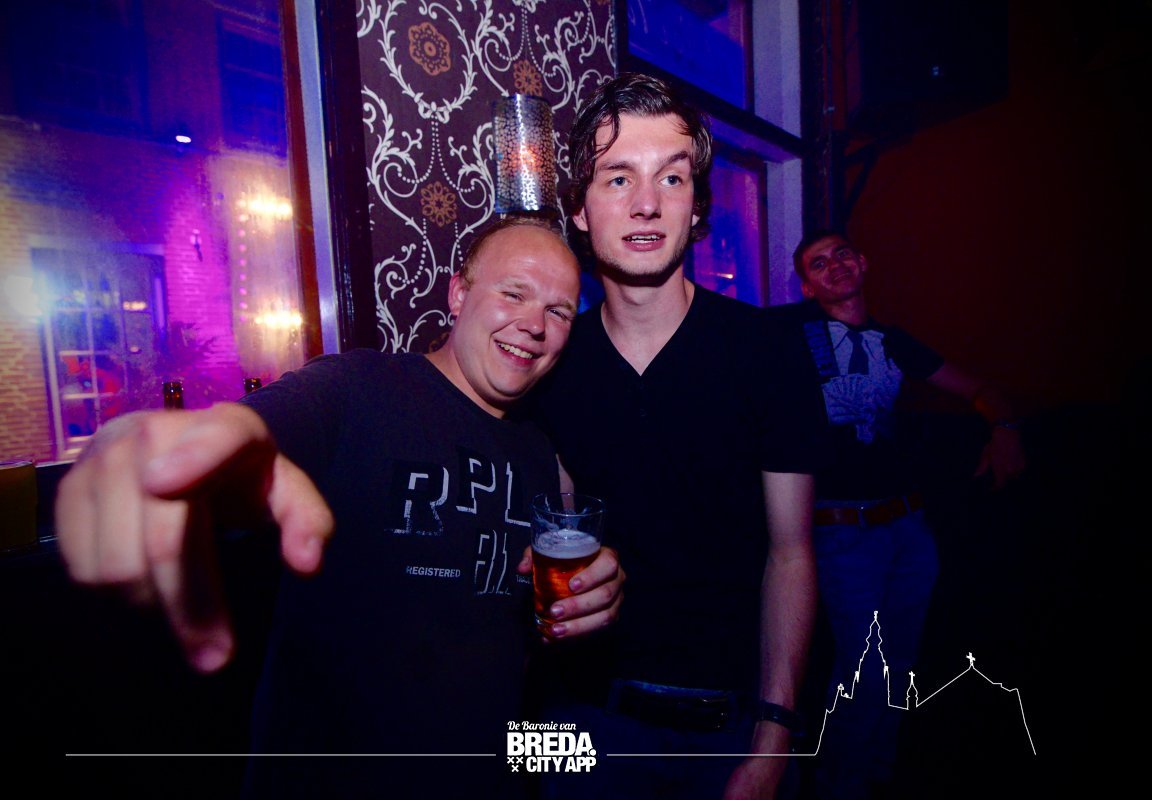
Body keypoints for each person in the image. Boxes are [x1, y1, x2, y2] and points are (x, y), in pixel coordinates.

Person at [54, 218, 625, 798]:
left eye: (559, 312)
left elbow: (511, 647)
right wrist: (146, 453)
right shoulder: (358, 389)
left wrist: (586, 611)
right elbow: (249, 432)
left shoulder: (539, 452)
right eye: (513, 293)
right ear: (458, 294)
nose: (534, 325)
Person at [524, 73, 820, 800]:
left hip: (729, 727)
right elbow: (553, 536)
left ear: (695, 207)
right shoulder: (551, 364)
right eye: (618, 177)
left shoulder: (768, 352)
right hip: (581, 723)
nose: (647, 203)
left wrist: (773, 744)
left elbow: (791, 554)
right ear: (581, 210)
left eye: (672, 177)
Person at [776, 229, 1027, 800]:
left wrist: (1005, 427)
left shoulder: (895, 341)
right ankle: (839, 785)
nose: (835, 266)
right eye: (819, 263)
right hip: (841, 531)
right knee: (862, 668)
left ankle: (876, 774)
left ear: (863, 262)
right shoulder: (792, 334)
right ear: (807, 285)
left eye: (843, 254)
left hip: (909, 528)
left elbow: (983, 389)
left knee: (901, 662)